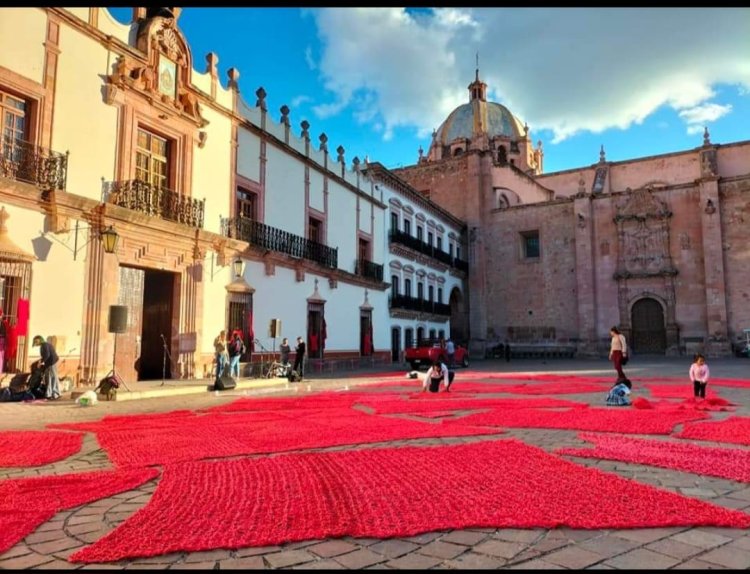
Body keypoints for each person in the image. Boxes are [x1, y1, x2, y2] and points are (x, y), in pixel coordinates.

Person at [32, 335, 60, 400]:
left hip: (51, 363)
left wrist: (41, 362)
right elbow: (45, 355)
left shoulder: (45, 345)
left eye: (36, 342)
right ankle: (52, 393)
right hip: (50, 363)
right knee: (50, 377)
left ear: (39, 340)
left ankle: (54, 393)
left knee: (51, 377)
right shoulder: (44, 345)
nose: (36, 344)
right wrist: (41, 361)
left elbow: (47, 355)